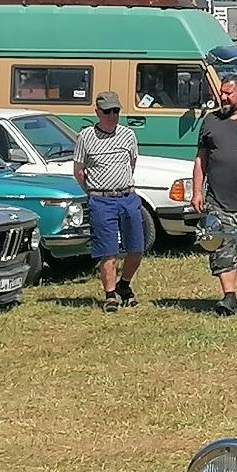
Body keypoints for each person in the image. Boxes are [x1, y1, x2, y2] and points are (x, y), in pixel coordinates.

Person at [74, 92, 148, 313]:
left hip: (127, 197)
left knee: (137, 248)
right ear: (97, 113)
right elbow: (79, 171)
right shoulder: (86, 137)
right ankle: (110, 295)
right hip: (101, 199)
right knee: (108, 251)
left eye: (116, 111)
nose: (112, 116)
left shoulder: (128, 135)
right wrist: (93, 193)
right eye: (107, 112)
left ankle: (124, 285)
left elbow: (132, 163)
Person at [191, 75, 237, 315]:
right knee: (220, 247)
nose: (223, 98)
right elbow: (200, 159)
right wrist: (197, 191)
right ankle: (229, 297)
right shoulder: (211, 121)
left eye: (228, 93)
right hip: (218, 200)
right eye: (221, 93)